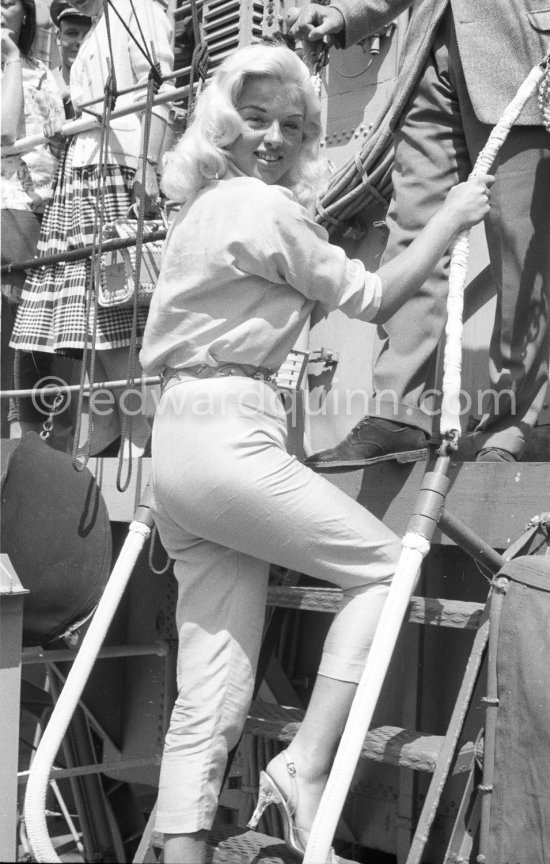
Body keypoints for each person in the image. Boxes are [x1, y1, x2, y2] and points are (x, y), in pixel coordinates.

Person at [139, 43, 492, 864]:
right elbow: (370, 298)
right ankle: (303, 767)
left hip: (177, 446)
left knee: (212, 690)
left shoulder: (193, 217)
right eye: (256, 119)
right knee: (382, 567)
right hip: (233, 435)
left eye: (292, 127)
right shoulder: (264, 209)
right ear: (222, 124)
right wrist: (451, 216)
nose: (275, 138)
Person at [287, 0, 550, 468]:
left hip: (523, 49)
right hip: (432, 53)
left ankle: (513, 425)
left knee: (522, 248)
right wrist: (349, 14)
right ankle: (400, 414)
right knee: (415, 233)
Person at [9, 0, 174, 458]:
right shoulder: (108, 16)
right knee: (89, 320)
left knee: (115, 311)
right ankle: (108, 427)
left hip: (113, 167)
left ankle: (148, 433)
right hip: (82, 168)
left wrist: (148, 164)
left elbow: (157, 89)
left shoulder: (140, 8)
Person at [1, 0, 66, 440]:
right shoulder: (11, 64)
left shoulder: (44, 69)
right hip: (9, 203)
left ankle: (37, 446)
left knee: (41, 333)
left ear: (26, 12)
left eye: (7, 1)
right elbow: (4, 133)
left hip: (48, 206)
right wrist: (7, 59)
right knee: (14, 328)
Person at [49, 0, 91, 119]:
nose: (80, 42)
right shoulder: (43, 85)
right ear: (58, 37)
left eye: (87, 35)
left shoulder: (103, 85)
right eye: (72, 33)